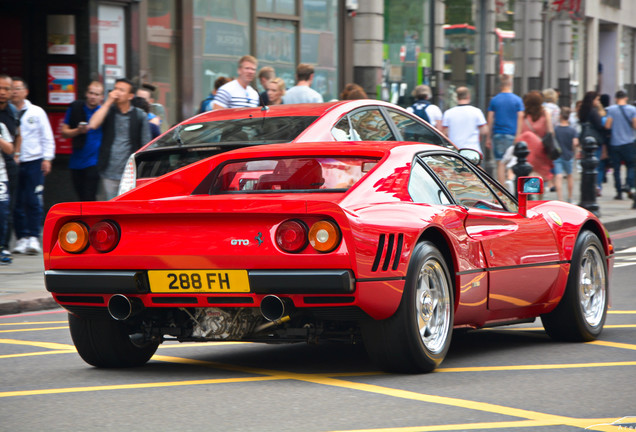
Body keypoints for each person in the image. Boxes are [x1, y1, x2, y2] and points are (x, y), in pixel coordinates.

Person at [10, 77, 55, 255]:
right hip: (14, 162)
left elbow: (47, 136)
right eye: (12, 89)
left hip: (34, 161)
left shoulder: (36, 112)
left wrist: (47, 158)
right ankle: (21, 237)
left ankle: (34, 237)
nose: (14, 92)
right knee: (17, 201)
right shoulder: (8, 112)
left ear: (25, 91)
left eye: (18, 88)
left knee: (33, 199)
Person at [88, 78, 150, 200]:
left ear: (130, 96)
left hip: (130, 175)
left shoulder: (139, 115)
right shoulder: (108, 111)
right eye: (115, 88)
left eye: (121, 90)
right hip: (108, 172)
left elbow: (146, 145)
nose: (116, 92)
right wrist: (107, 102)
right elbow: (93, 124)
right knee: (108, 208)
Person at [61, 81, 104, 201]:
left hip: (94, 162)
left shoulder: (102, 112)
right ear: (86, 93)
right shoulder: (75, 107)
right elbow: (64, 133)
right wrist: (78, 131)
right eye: (91, 93)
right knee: (81, 198)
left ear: (101, 97)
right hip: (76, 162)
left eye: (96, 94)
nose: (93, 96)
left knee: (89, 198)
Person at [486, 75, 525, 183]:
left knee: (500, 163)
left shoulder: (494, 100)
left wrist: (489, 137)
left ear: (500, 86)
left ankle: (502, 190)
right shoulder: (517, 100)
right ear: (510, 84)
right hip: (512, 135)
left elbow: (490, 119)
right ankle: (510, 182)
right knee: (512, 161)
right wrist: (518, 134)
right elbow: (521, 116)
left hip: (498, 134)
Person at [515, 90, 554, 189]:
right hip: (540, 149)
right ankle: (537, 197)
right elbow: (550, 132)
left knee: (527, 172)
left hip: (525, 150)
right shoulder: (545, 114)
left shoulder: (522, 115)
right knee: (539, 174)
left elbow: (518, 134)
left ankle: (528, 195)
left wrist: (515, 145)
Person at [0, 74, 20, 261]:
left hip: (7, 166)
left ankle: (4, 246)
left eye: (7, 89)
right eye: (0, 88)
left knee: (7, 208)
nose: (3, 92)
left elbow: (18, 134)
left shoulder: (12, 111)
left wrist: (17, 155)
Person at [605, 90, 636, 199]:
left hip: (615, 143)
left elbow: (608, 126)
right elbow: (635, 125)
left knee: (616, 169)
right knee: (631, 166)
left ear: (615, 98)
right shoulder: (632, 110)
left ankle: (618, 192)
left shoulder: (611, 110)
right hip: (629, 142)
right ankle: (628, 184)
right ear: (626, 98)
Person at [578, 91, 609, 197]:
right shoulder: (593, 111)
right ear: (593, 100)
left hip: (584, 139)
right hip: (594, 140)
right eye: (597, 99)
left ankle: (588, 186)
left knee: (586, 164)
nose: (598, 102)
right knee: (596, 164)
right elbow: (600, 125)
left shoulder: (583, 110)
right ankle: (596, 186)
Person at [441, 86, 488, 153]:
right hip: (473, 150)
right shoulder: (476, 111)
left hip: (455, 150)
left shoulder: (448, 113)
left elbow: (444, 133)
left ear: (456, 97)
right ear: (469, 96)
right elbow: (484, 130)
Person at [553, 107, 579, 202]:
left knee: (558, 176)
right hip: (568, 155)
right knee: (569, 175)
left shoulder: (556, 129)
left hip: (557, 155)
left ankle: (560, 198)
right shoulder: (572, 130)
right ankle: (570, 197)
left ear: (560, 116)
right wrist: (573, 151)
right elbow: (575, 143)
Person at [0, 122, 13, 264]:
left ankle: (2, 247)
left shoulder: (1, 126)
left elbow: (10, 149)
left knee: (2, 213)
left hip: (1, 177)